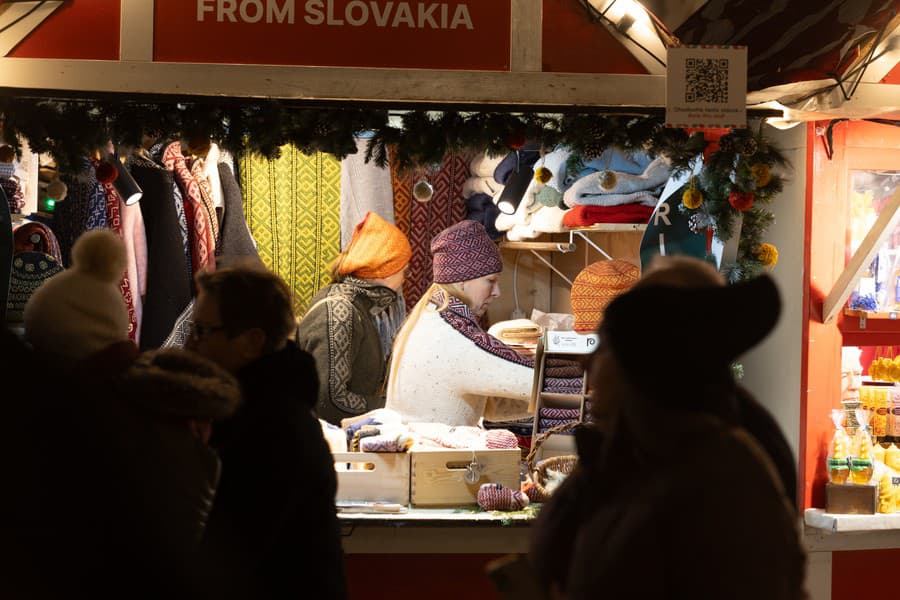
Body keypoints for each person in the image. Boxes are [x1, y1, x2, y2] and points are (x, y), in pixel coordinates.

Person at [527, 255, 807, 600]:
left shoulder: (721, 475)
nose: (586, 364)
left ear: (645, 364)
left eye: (604, 348)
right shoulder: (629, 449)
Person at [188, 265, 347, 600]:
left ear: (251, 342)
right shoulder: (258, 410)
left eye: (203, 331)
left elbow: (234, 551)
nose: (190, 344)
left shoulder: (271, 427)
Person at [386, 219, 581, 427]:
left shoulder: (432, 316)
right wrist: (594, 376)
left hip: (417, 452)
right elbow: (537, 380)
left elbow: (493, 405)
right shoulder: (455, 338)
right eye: (490, 280)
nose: (497, 292)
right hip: (431, 456)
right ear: (462, 280)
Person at [297, 210, 411, 425]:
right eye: (404, 270)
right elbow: (329, 401)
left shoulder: (355, 307)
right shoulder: (340, 311)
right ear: (387, 271)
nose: (406, 277)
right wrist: (394, 409)